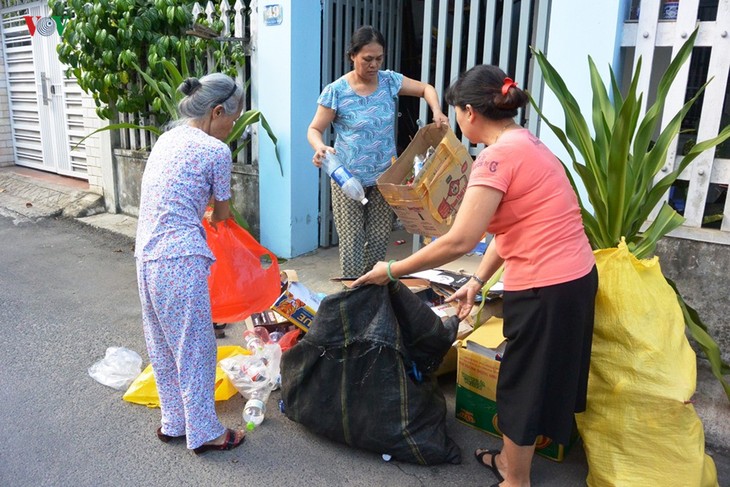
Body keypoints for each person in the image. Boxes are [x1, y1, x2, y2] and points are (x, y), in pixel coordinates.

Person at [354, 65, 598, 486]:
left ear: (469, 111)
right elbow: (511, 228)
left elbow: (459, 241)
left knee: (522, 382)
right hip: (575, 279)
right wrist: (477, 281)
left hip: (545, 287)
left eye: (456, 112)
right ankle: (511, 459)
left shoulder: (495, 158)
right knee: (545, 375)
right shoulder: (530, 144)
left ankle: (515, 479)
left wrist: (390, 269)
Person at [134, 73, 246, 454]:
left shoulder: (167, 139)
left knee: (162, 343)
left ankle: (174, 422)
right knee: (196, 347)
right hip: (180, 258)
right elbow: (221, 216)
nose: (231, 128)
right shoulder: (216, 152)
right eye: (231, 120)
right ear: (216, 112)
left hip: (146, 255)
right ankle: (205, 432)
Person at [307, 25, 450, 278]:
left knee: (379, 237)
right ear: (352, 55)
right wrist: (320, 147)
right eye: (367, 59)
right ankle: (351, 292)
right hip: (347, 178)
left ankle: (371, 288)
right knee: (351, 240)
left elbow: (426, 89)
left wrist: (437, 111)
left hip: (385, 177)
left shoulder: (389, 81)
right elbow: (314, 129)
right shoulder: (336, 91)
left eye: (379, 58)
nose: (374, 65)